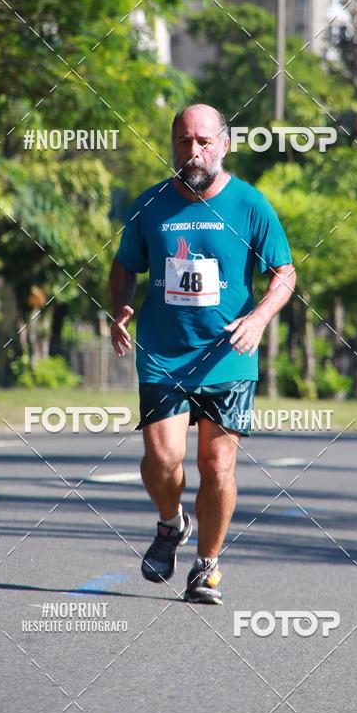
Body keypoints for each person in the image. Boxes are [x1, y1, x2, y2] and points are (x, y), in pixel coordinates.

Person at [108, 104, 296, 604]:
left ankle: (207, 566)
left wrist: (257, 319)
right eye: (184, 142)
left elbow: (285, 273)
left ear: (224, 144)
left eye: (204, 142)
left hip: (228, 354)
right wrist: (121, 306)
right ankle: (171, 524)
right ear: (172, 145)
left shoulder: (250, 205)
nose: (194, 151)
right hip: (164, 353)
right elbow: (125, 264)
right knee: (161, 456)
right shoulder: (151, 205)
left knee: (216, 465)